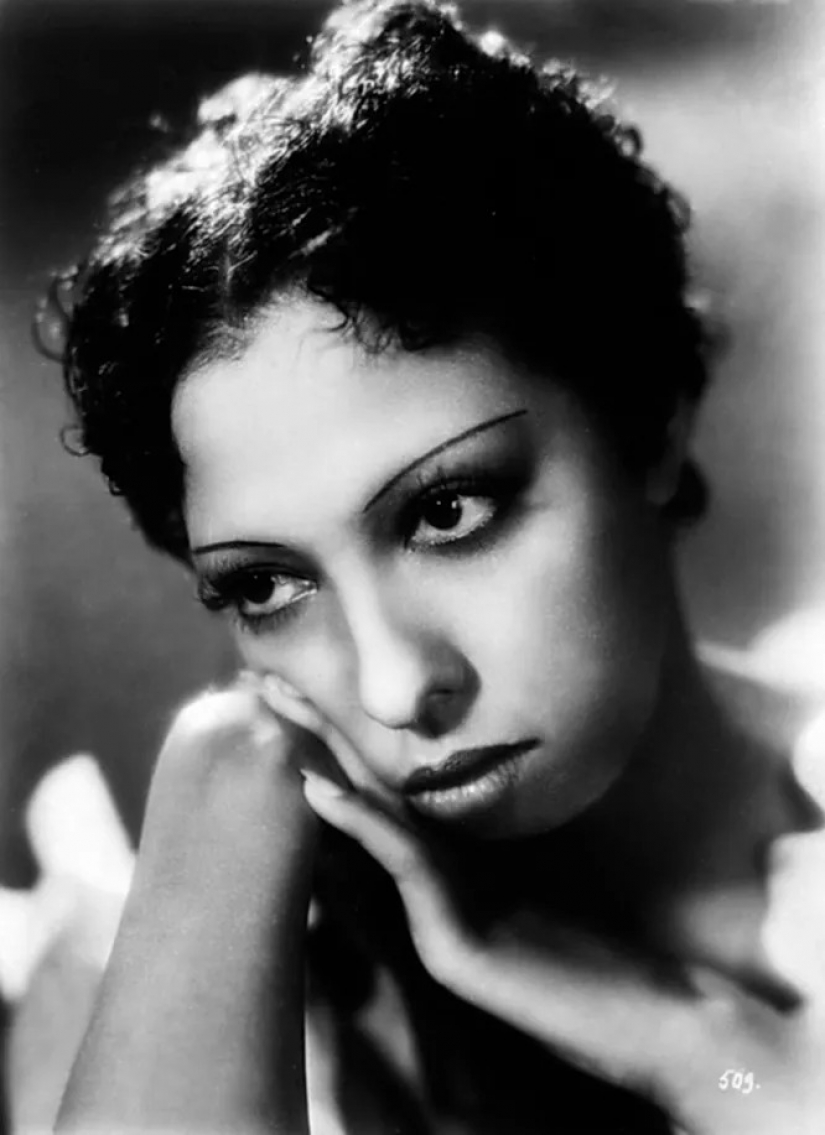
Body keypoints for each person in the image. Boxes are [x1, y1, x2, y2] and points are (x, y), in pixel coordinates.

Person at [35, 0, 825, 1131]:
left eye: (449, 511)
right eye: (266, 585)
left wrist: (693, 1047)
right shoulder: (192, 959)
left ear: (650, 421)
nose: (397, 686)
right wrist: (223, 772)